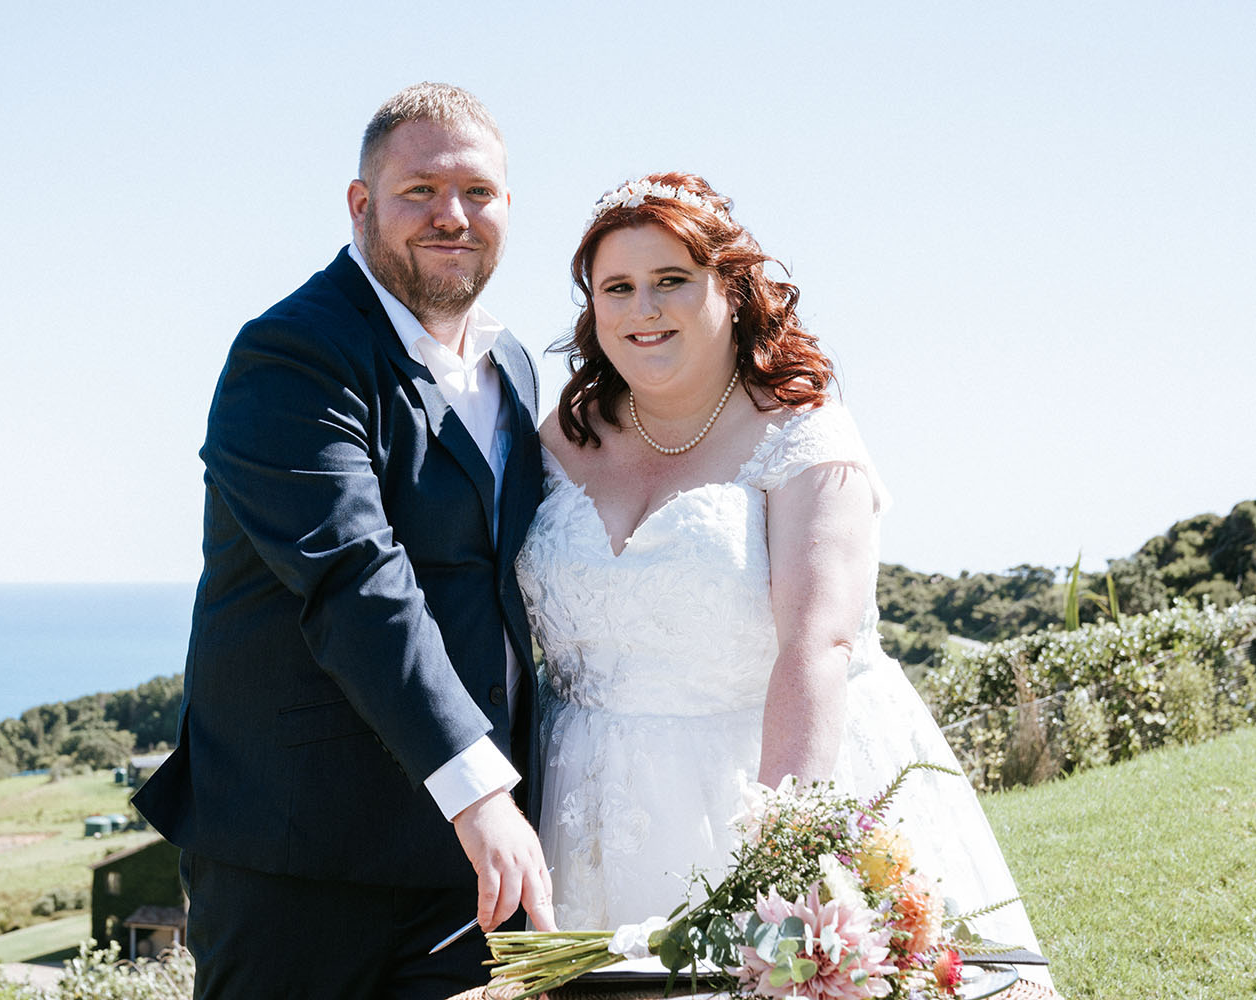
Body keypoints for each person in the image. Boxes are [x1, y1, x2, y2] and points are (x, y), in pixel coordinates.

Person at [515, 172, 1050, 978]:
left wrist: (780, 865)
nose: (642, 309)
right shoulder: (562, 434)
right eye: (615, 288)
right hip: (584, 810)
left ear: (732, 288)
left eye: (671, 281)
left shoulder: (804, 434)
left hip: (768, 793)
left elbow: (818, 644)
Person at [134, 83, 555, 999]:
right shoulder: (291, 353)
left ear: (508, 209)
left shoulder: (518, 366)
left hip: (473, 876)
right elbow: (355, 577)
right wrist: (480, 790)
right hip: (300, 864)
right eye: (420, 191)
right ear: (361, 204)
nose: (453, 216)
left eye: (478, 193)